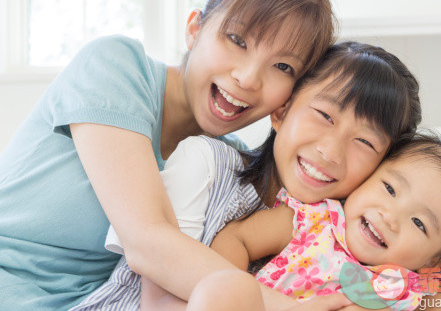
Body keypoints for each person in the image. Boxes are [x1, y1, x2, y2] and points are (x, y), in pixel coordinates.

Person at [0, 0, 335, 309]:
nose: (247, 78)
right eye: (237, 39)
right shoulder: (115, 67)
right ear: (194, 29)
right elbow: (146, 242)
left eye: (282, 66)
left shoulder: (224, 164)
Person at [130, 41, 423, 310]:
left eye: (365, 142)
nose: (331, 152)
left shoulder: (360, 237)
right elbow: (156, 301)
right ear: (282, 111)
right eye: (325, 115)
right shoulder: (206, 164)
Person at [187, 134, 441, 311]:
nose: (389, 217)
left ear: (434, 261)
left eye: (419, 223)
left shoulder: (409, 286)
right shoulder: (313, 220)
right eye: (389, 189)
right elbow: (238, 237)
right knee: (225, 288)